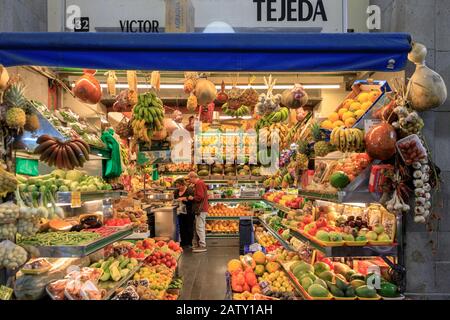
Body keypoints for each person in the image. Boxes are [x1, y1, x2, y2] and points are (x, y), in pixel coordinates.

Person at [188, 171, 209, 253]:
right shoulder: (200, 183)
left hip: (201, 209)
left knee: (199, 227)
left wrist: (192, 198)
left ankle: (202, 245)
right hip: (203, 208)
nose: (189, 181)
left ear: (193, 177)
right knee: (200, 226)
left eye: (189, 179)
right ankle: (201, 244)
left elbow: (200, 197)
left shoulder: (199, 183)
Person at [173, 178, 195, 248]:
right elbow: (174, 199)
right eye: (177, 186)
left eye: (179, 186)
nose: (178, 187)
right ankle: (183, 242)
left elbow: (192, 200)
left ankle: (189, 243)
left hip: (189, 212)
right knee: (182, 228)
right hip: (180, 213)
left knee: (189, 227)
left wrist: (184, 199)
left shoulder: (189, 190)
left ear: (183, 185)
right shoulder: (176, 191)